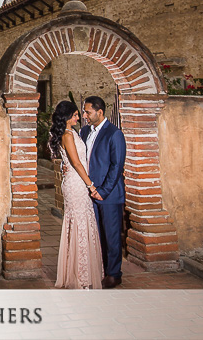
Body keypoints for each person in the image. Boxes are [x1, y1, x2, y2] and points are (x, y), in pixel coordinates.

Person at [47, 99, 103, 289]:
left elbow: (72, 161)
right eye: (76, 115)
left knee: (82, 224)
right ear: (68, 117)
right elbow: (77, 163)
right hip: (77, 184)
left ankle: (83, 271)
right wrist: (91, 186)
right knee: (79, 225)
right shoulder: (68, 135)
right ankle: (81, 275)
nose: (80, 117)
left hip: (77, 181)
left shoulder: (73, 133)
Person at [80, 95, 126, 289]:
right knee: (96, 235)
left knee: (111, 236)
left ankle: (114, 274)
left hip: (109, 195)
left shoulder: (114, 134)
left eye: (87, 112)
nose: (84, 116)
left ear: (99, 112)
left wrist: (103, 191)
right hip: (89, 193)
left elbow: (117, 166)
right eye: (84, 111)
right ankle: (98, 269)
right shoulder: (83, 132)